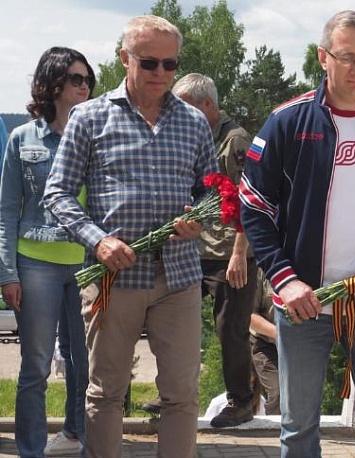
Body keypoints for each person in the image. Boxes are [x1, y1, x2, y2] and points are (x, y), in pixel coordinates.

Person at [239, 10, 355, 457]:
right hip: (305, 302)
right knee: (299, 427)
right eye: (346, 57)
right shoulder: (287, 121)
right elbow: (253, 206)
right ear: (323, 57)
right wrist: (286, 279)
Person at [43, 15, 218, 458]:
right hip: (112, 277)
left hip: (178, 276)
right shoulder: (89, 117)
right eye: (149, 62)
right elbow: (58, 193)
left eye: (170, 63)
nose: (161, 73)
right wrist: (96, 240)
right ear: (125, 58)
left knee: (181, 393)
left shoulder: (194, 124)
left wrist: (200, 217)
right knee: (106, 392)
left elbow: (212, 192)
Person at [135, 73, 257, 428]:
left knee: (230, 329)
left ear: (206, 104)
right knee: (171, 324)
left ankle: (241, 400)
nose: (175, 112)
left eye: (185, 105)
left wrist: (239, 254)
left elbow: (248, 201)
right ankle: (171, 391)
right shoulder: (192, 134)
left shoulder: (235, 141)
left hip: (228, 254)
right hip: (194, 247)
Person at [0, 46, 94, 458]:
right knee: (36, 367)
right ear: (53, 84)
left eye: (88, 79)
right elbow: (6, 209)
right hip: (34, 264)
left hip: (88, 264)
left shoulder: (97, 133)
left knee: (85, 366)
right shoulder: (23, 138)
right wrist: (8, 271)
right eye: (76, 79)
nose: (85, 86)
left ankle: (77, 438)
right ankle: (31, 451)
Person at [249, 269, 280, 415]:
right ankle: (277, 432)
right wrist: (280, 334)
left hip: (300, 343)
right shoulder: (259, 270)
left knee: (302, 391)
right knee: (279, 389)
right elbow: (249, 316)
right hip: (264, 341)